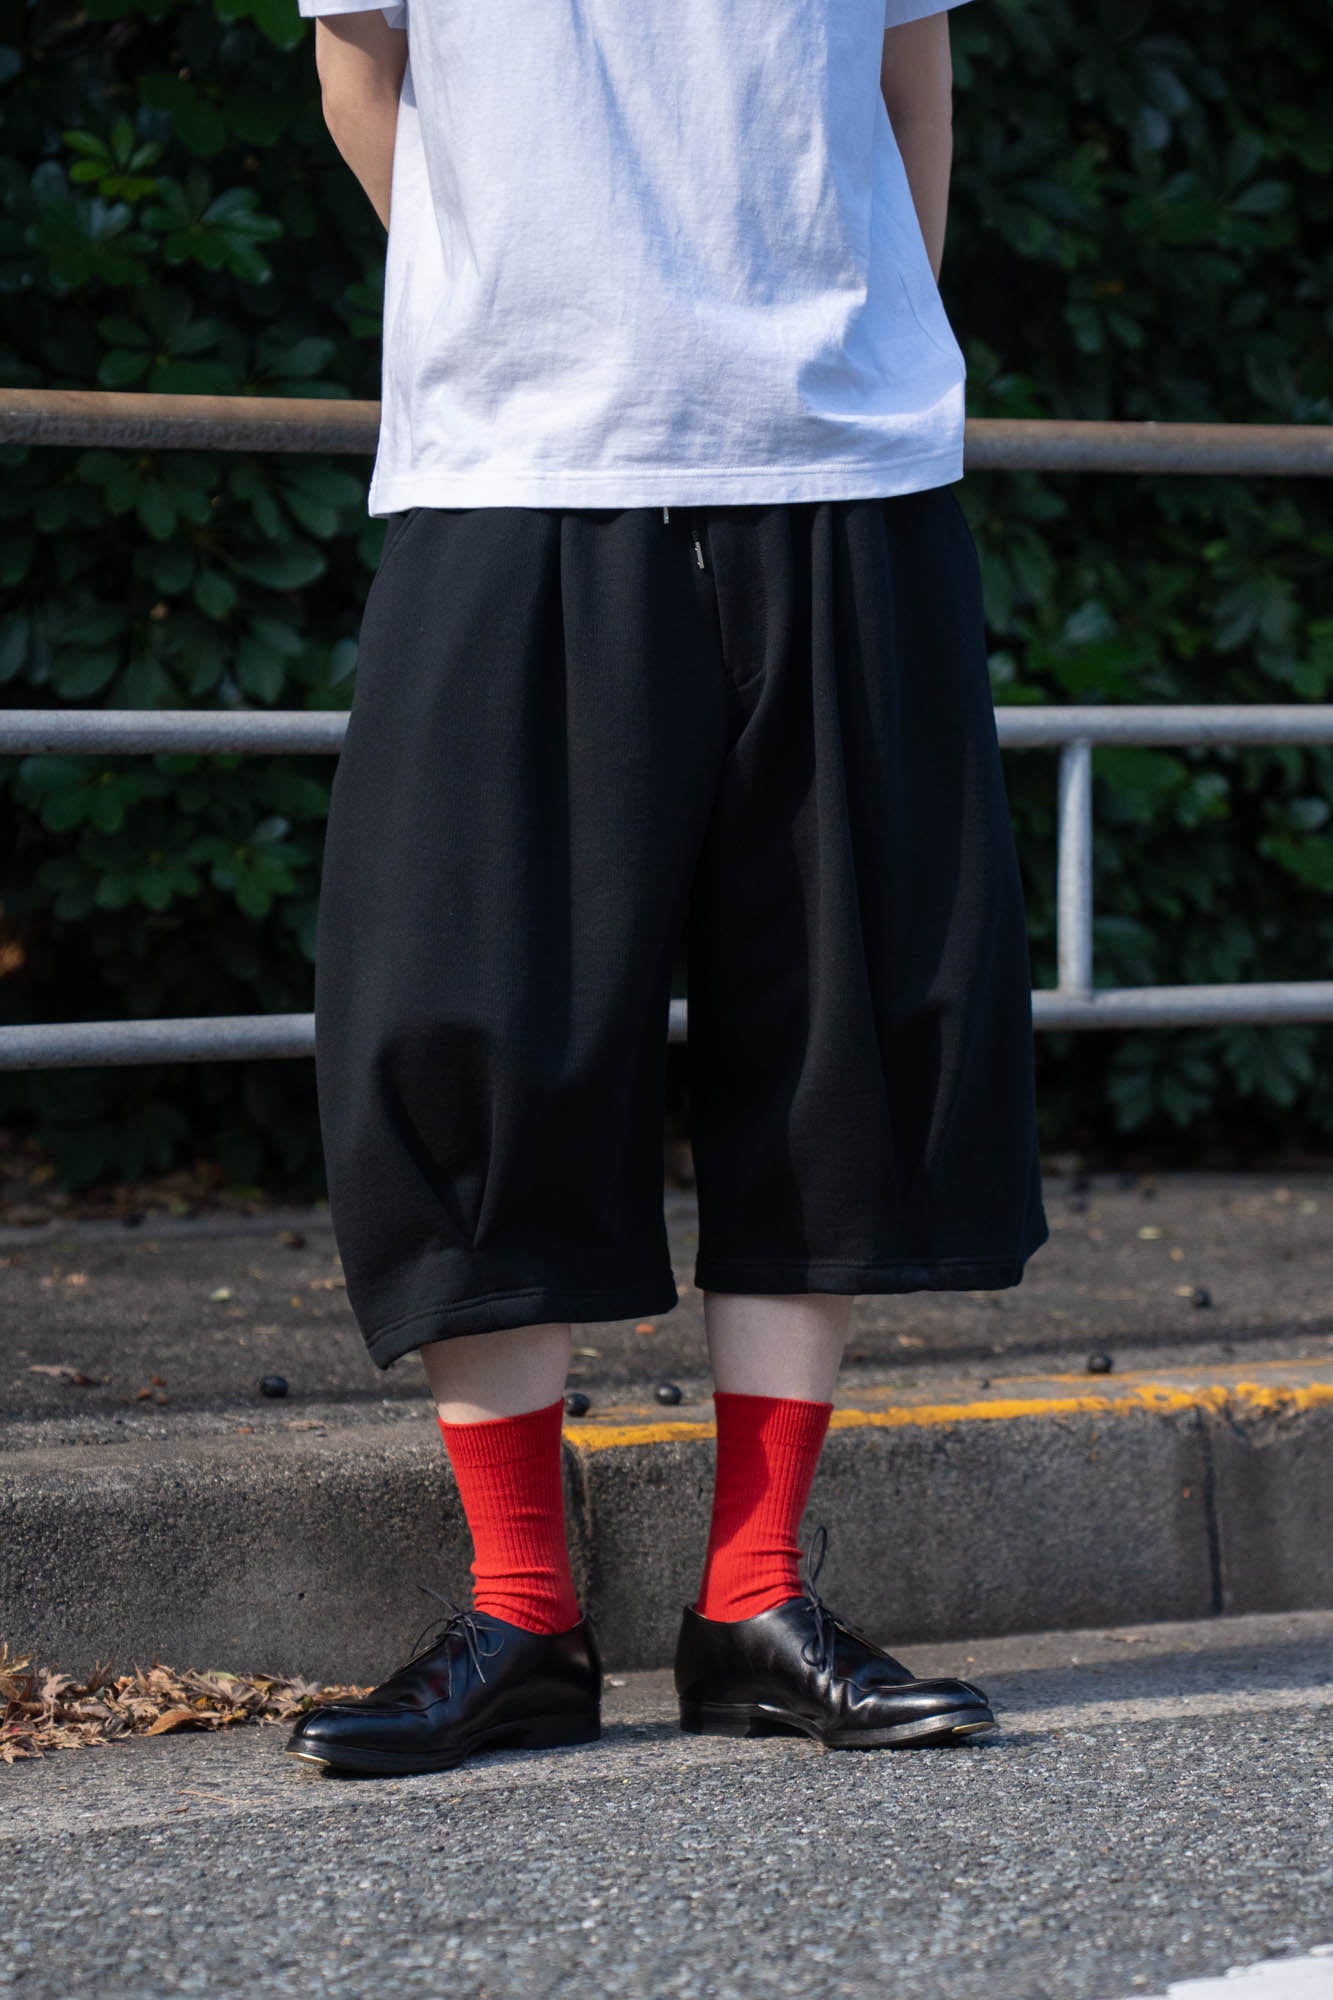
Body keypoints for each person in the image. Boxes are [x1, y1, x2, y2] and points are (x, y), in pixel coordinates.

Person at [286, 0, 1049, 1778]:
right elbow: (357, 69)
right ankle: (520, 1613)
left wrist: (831, 345)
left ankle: (755, 1600)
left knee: (843, 1022)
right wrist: (550, 302)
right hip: (520, 459)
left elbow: (910, 86)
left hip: (840, 459)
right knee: (465, 1017)